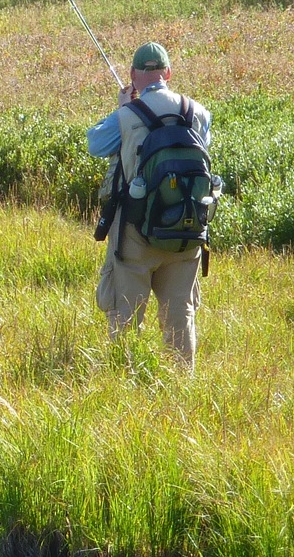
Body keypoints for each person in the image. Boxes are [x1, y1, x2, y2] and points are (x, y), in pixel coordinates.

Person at [86, 42, 212, 369]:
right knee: (180, 317)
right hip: (187, 232)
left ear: (132, 75)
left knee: (125, 317)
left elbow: (95, 144)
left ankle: (127, 384)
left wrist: (122, 108)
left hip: (135, 233)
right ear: (168, 73)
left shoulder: (127, 115)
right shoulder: (197, 112)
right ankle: (183, 384)